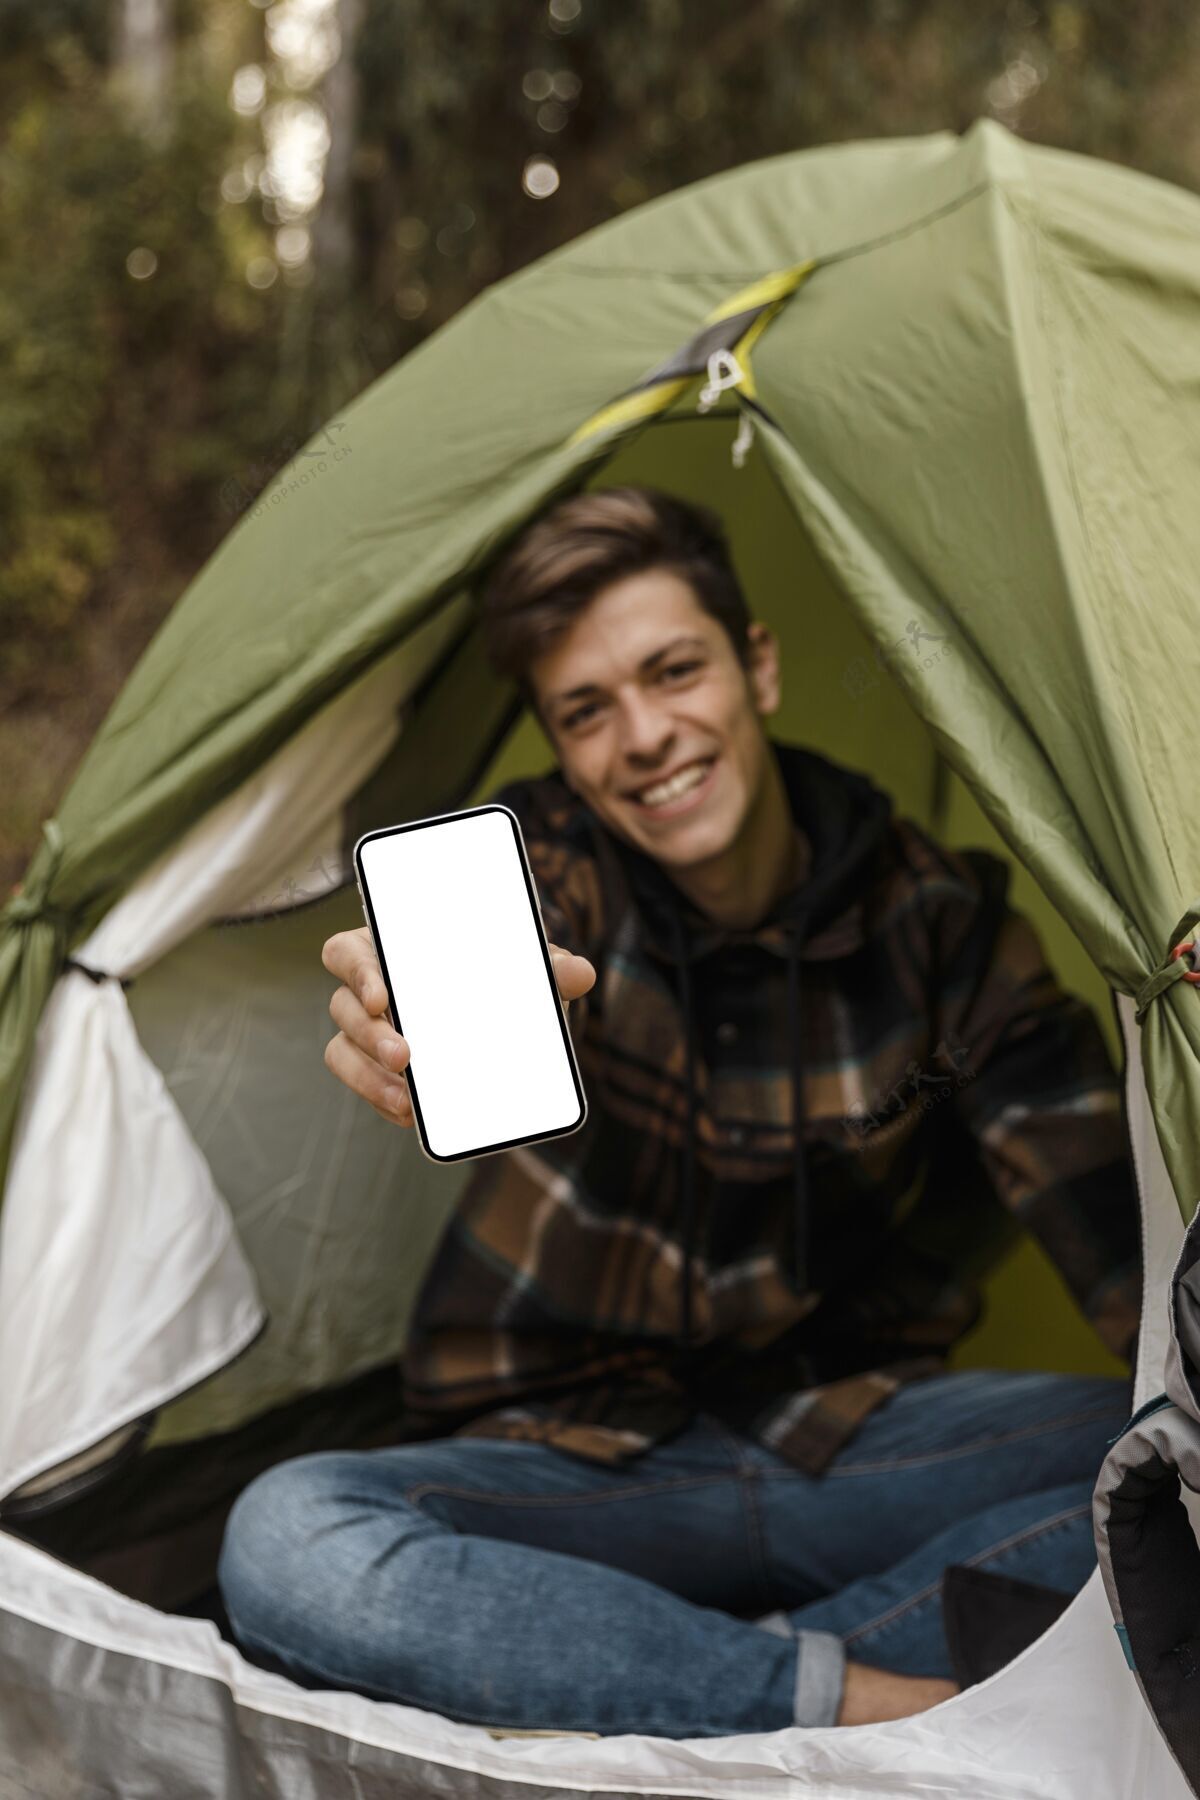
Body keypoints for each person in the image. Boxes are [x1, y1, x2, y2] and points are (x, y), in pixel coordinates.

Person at [218, 485, 1142, 1738]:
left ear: (756, 667)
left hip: (852, 1433)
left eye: (673, 672)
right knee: (288, 1538)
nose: (643, 737)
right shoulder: (545, 867)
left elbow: (1106, 1215)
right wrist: (415, 1011)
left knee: (1157, 1448)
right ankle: (872, 1702)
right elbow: (540, 949)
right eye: (586, 713)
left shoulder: (945, 920)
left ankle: (690, 1673)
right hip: (573, 1460)